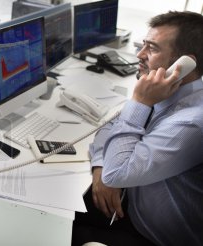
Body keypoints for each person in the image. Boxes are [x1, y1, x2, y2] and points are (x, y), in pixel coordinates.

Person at [72, 11, 203, 246]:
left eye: (151, 48)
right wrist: (100, 164)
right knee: (60, 211)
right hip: (129, 203)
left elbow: (117, 173)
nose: (139, 55)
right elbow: (111, 125)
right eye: (143, 45)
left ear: (184, 64)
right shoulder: (167, 90)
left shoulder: (191, 122)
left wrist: (140, 102)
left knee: (60, 234)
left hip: (154, 237)